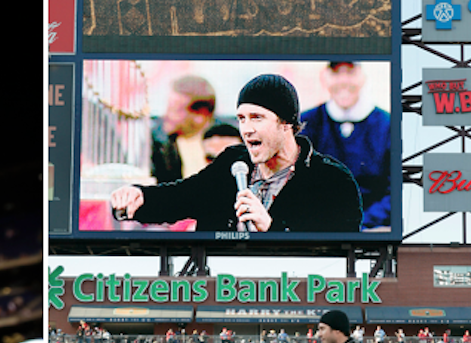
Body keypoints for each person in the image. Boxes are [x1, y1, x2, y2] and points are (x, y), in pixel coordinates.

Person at [110, 74, 363, 233]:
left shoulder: (332, 180)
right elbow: (182, 196)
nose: (247, 129)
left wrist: (272, 228)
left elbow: (337, 255)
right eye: (242, 118)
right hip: (220, 293)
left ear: (286, 123)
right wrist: (139, 195)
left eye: (257, 118)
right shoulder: (233, 162)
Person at [300, 61, 391, 229]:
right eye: (335, 73)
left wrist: (361, 224)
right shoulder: (307, 123)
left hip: (372, 228)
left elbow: (395, 191)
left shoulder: (387, 125)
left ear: (363, 76)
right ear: (325, 77)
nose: (343, 81)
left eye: (350, 72)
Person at [151, 75, 217, 182]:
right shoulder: (158, 145)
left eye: (176, 110)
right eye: (168, 107)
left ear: (200, 116)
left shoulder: (226, 142)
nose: (167, 115)